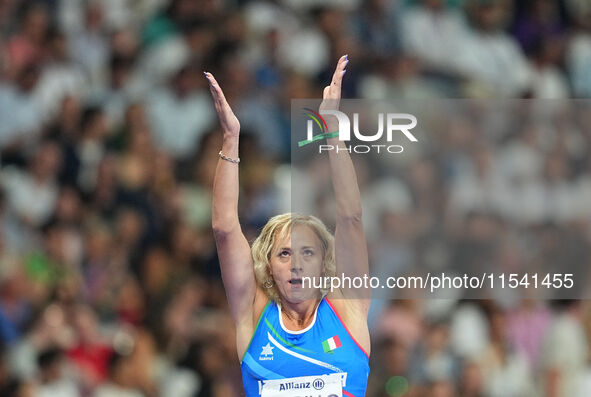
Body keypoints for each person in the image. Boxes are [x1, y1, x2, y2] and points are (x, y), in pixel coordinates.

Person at [206, 55, 370, 397]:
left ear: (323, 263)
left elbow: (351, 218)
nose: (296, 263)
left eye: (306, 252)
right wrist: (231, 140)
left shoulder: (347, 307)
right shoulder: (252, 315)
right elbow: (224, 229)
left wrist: (332, 133)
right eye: (284, 253)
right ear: (268, 266)